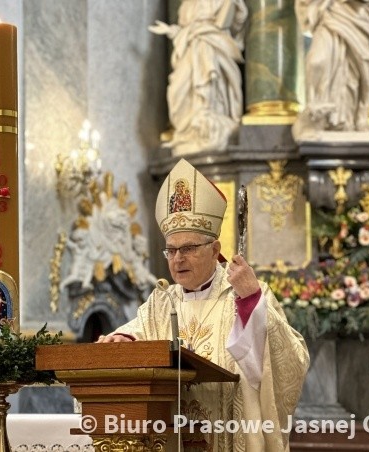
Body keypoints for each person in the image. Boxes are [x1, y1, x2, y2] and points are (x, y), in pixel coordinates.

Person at [97, 159, 310, 451]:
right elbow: (139, 332)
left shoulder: (244, 295)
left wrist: (251, 301)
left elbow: (290, 361)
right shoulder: (162, 301)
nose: (178, 259)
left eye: (188, 248)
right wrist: (123, 340)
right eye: (171, 250)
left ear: (215, 250)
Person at [149, 0, 248, 155]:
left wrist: (236, 6)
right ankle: (187, 131)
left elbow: (237, 22)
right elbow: (184, 30)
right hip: (190, 46)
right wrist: (170, 30)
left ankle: (208, 118)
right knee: (177, 89)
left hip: (213, 45)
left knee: (208, 81)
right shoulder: (186, 4)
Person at [292, 0, 369, 139]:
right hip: (327, 11)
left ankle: (356, 117)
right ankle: (316, 113)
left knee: (357, 73)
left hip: (355, 15)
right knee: (316, 61)